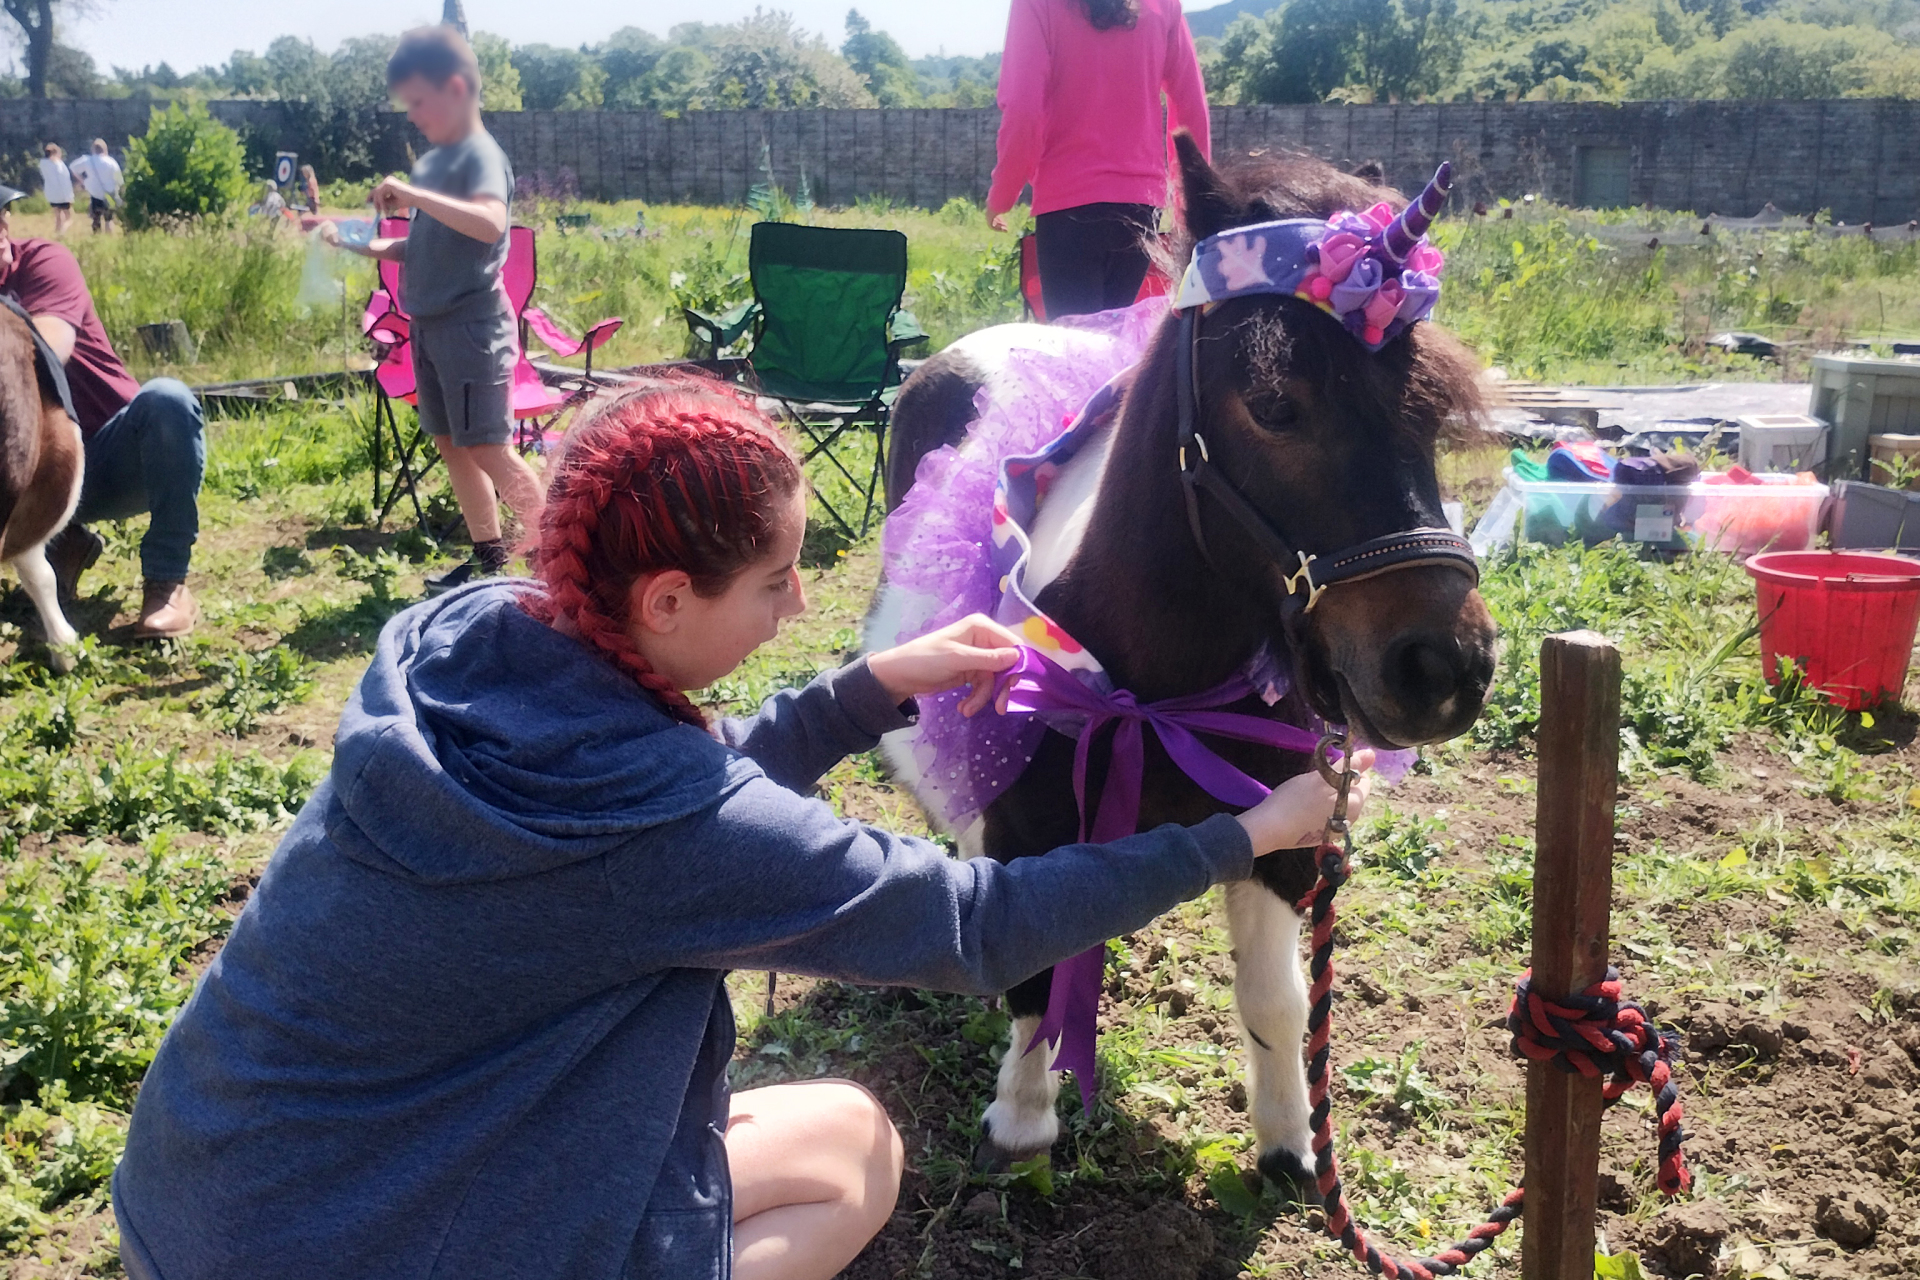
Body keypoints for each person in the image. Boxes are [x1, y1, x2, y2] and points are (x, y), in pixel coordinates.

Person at [110, 377, 1375, 1280]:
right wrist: (1243, 831)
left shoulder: (470, 651)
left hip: (206, 1187)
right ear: (664, 597)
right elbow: (973, 922)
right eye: (775, 581)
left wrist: (870, 686)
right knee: (856, 1158)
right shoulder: (664, 830)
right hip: (339, 1243)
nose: (802, 602)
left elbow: (660, 798)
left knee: (810, 1129)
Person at [324, 24, 541, 595]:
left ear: (455, 89)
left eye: (420, 102)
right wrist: (360, 244)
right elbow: (423, 246)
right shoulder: (441, 165)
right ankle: (489, 557)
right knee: (452, 444)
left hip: (471, 328)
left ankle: (563, 559)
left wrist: (414, 195)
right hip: (430, 327)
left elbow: (492, 224)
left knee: (489, 447)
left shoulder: (480, 157)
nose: (414, 115)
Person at [0, 185, 207, 638]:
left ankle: (167, 582)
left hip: (107, 456)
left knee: (168, 401)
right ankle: (62, 542)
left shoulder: (42, 262)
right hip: (21, 480)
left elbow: (49, 346)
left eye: (1, 215)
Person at [986, 0, 1211, 319]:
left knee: (1075, 352)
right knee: (1112, 348)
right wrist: (1192, 205)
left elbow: (1023, 110)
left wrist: (1002, 196)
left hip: (1068, 208)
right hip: (1139, 208)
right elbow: (1191, 108)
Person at [68, 138, 122, 234]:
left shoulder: (88, 160)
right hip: (109, 195)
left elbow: (73, 167)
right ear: (105, 149)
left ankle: (97, 237)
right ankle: (109, 238)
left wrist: (83, 181)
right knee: (109, 219)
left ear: (93, 149)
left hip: (95, 194)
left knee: (96, 219)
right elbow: (119, 180)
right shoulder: (111, 162)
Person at [38, 143, 73, 237]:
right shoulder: (59, 165)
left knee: (58, 217)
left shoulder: (43, 164)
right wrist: (69, 196)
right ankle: (62, 233)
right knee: (69, 218)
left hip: (51, 194)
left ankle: (56, 234)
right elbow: (64, 181)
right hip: (62, 194)